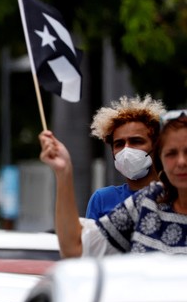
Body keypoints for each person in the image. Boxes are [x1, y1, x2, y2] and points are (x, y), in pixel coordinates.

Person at [39, 109, 187, 257]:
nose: (181, 162)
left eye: (136, 141)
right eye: (171, 153)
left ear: (154, 148)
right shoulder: (148, 201)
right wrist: (64, 171)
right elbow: (75, 249)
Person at [85, 95, 167, 220]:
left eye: (136, 141)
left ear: (157, 145)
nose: (126, 149)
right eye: (119, 144)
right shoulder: (102, 199)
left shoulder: (178, 197)